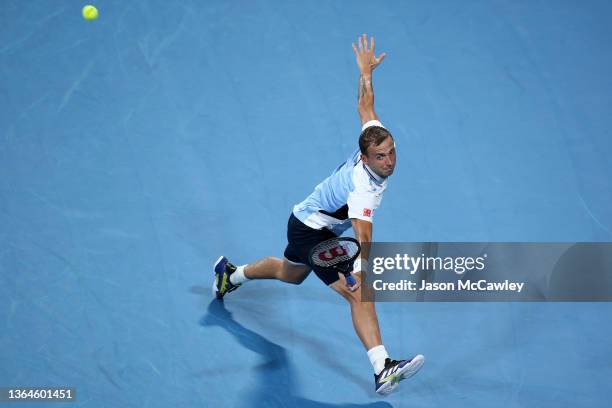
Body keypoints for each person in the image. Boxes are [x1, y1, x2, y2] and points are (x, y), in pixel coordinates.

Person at [213, 34, 424, 396]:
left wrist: (366, 73)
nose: (389, 160)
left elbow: (365, 106)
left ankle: (230, 275)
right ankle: (382, 368)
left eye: (391, 152)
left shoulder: (373, 135)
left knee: (289, 273)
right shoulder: (363, 190)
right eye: (381, 157)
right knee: (360, 295)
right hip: (313, 233)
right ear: (367, 157)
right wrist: (359, 271)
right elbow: (364, 238)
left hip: (303, 219)